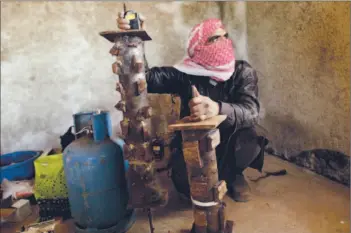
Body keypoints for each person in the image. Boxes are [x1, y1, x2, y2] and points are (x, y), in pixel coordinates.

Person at [117, 14, 268, 202]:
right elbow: (145, 78)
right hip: (195, 143)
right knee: (187, 190)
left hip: (231, 143)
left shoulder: (242, 71)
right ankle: (211, 177)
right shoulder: (185, 74)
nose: (224, 42)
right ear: (198, 47)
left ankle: (233, 176)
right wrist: (134, 38)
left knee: (250, 140)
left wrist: (217, 108)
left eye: (225, 36)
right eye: (214, 38)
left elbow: (252, 112)